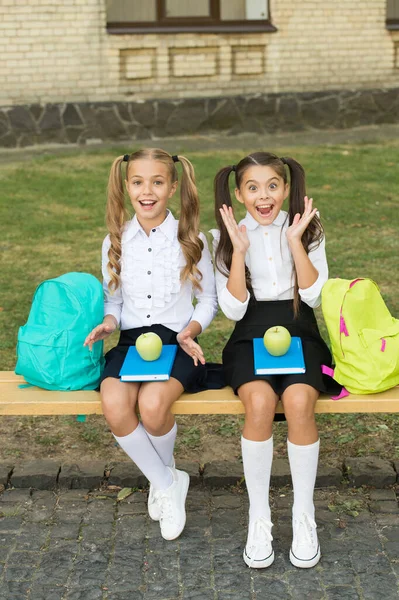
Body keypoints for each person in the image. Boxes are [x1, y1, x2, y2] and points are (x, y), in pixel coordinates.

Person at [211, 152, 342, 569]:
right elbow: (232, 311)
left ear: (285, 190)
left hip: (299, 327)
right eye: (253, 187)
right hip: (250, 333)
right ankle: (259, 517)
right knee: (261, 403)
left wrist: (294, 242)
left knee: (301, 403)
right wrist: (238, 250)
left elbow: (316, 296)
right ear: (239, 194)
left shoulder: (307, 228)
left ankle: (305, 517)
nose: (263, 196)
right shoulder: (225, 236)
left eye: (272, 186)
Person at [84, 148, 218, 541]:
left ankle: (164, 482)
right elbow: (114, 302)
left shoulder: (192, 239)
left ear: (172, 187)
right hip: (130, 341)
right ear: (127, 186)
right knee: (114, 403)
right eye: (138, 182)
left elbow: (207, 300)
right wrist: (108, 323)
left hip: (176, 341)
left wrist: (190, 330)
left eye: (157, 182)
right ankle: (166, 482)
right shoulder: (113, 241)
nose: (148, 191)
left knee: (154, 405)